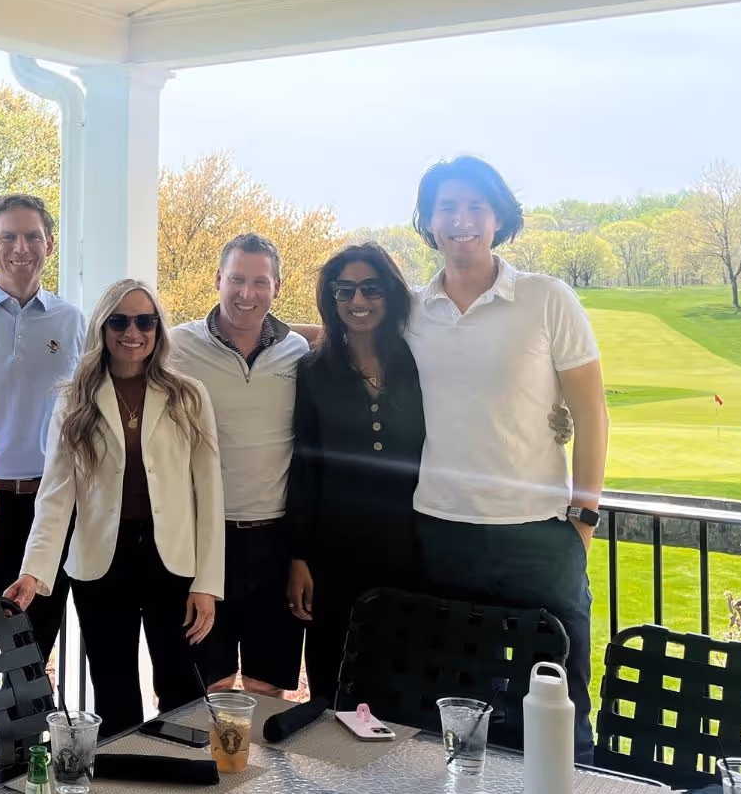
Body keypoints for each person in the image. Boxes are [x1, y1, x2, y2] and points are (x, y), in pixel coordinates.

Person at [405, 156, 611, 756]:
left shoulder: (547, 299)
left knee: (559, 703)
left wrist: (585, 517)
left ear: (499, 217)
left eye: (475, 206)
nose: (460, 220)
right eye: (446, 207)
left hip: (538, 538)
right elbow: (345, 332)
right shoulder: (414, 312)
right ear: (429, 221)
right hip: (443, 533)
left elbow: (593, 414)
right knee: (455, 702)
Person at [5, 280, 223, 735]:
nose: (132, 332)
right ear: (103, 328)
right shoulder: (75, 398)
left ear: (158, 329)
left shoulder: (189, 395)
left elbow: (209, 490)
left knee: (181, 687)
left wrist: (208, 583)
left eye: (145, 321)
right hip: (101, 565)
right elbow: (56, 492)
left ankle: (181, 792)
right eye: (119, 321)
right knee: (114, 688)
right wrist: (35, 571)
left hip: (174, 562)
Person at [168, 234, 309, 700]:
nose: (246, 293)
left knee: (269, 689)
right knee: (210, 690)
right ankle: (218, 775)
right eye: (236, 280)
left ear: (277, 288)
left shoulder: (297, 352)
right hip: (203, 541)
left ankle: (263, 777)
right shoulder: (176, 347)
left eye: (259, 282)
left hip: (276, 541)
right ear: (218, 280)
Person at [286, 242, 426, 708]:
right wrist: (299, 557)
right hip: (332, 555)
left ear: (391, 294)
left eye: (371, 289)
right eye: (344, 290)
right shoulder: (313, 371)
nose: (358, 301)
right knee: (331, 684)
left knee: (402, 682)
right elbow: (305, 465)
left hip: (408, 551)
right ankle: (329, 781)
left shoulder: (419, 364)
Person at [0, 194, 86, 659]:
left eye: (32, 236)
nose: (21, 247)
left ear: (50, 244)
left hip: (47, 507)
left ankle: (26, 735)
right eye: (9, 237)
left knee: (34, 651)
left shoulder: (72, 320)